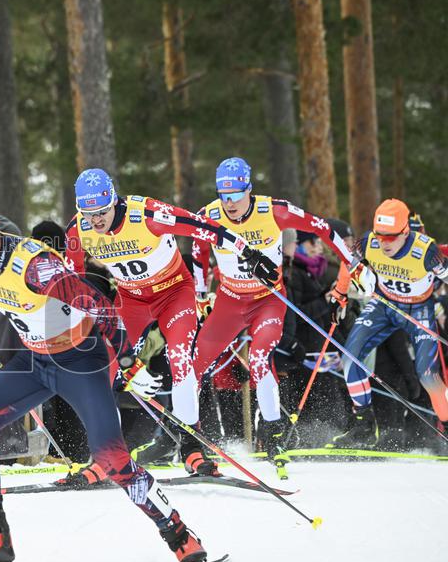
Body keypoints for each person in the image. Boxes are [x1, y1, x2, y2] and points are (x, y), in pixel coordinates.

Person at [0, 195, 209, 562]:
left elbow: (101, 308)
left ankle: (179, 534)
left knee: (111, 459)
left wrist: (128, 362)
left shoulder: (38, 268)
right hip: (34, 361)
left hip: (80, 361)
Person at [64, 167, 271, 478]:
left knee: (179, 358)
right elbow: (74, 281)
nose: (95, 221)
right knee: (102, 367)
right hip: (131, 300)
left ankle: (191, 449)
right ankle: (107, 456)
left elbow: (204, 227)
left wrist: (248, 252)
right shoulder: (77, 230)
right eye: (88, 213)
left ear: (114, 201)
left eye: (102, 212)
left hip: (174, 293)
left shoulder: (148, 215)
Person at [191, 157, 357, 477]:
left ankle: (273, 432)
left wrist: (351, 266)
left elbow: (323, 228)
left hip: (268, 300)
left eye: (236, 196)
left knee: (260, 356)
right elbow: (198, 253)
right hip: (229, 300)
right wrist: (200, 293)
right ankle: (185, 436)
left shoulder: (274, 211)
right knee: (195, 361)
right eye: (224, 196)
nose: (230, 204)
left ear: (249, 190)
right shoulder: (208, 215)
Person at [327, 198, 448, 447]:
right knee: (351, 357)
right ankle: (364, 424)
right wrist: (340, 295)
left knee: (427, 375)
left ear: (405, 231)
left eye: (391, 237)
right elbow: (347, 261)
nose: (384, 243)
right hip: (384, 305)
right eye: (380, 235)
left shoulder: (426, 251)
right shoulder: (368, 241)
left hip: (417, 309)